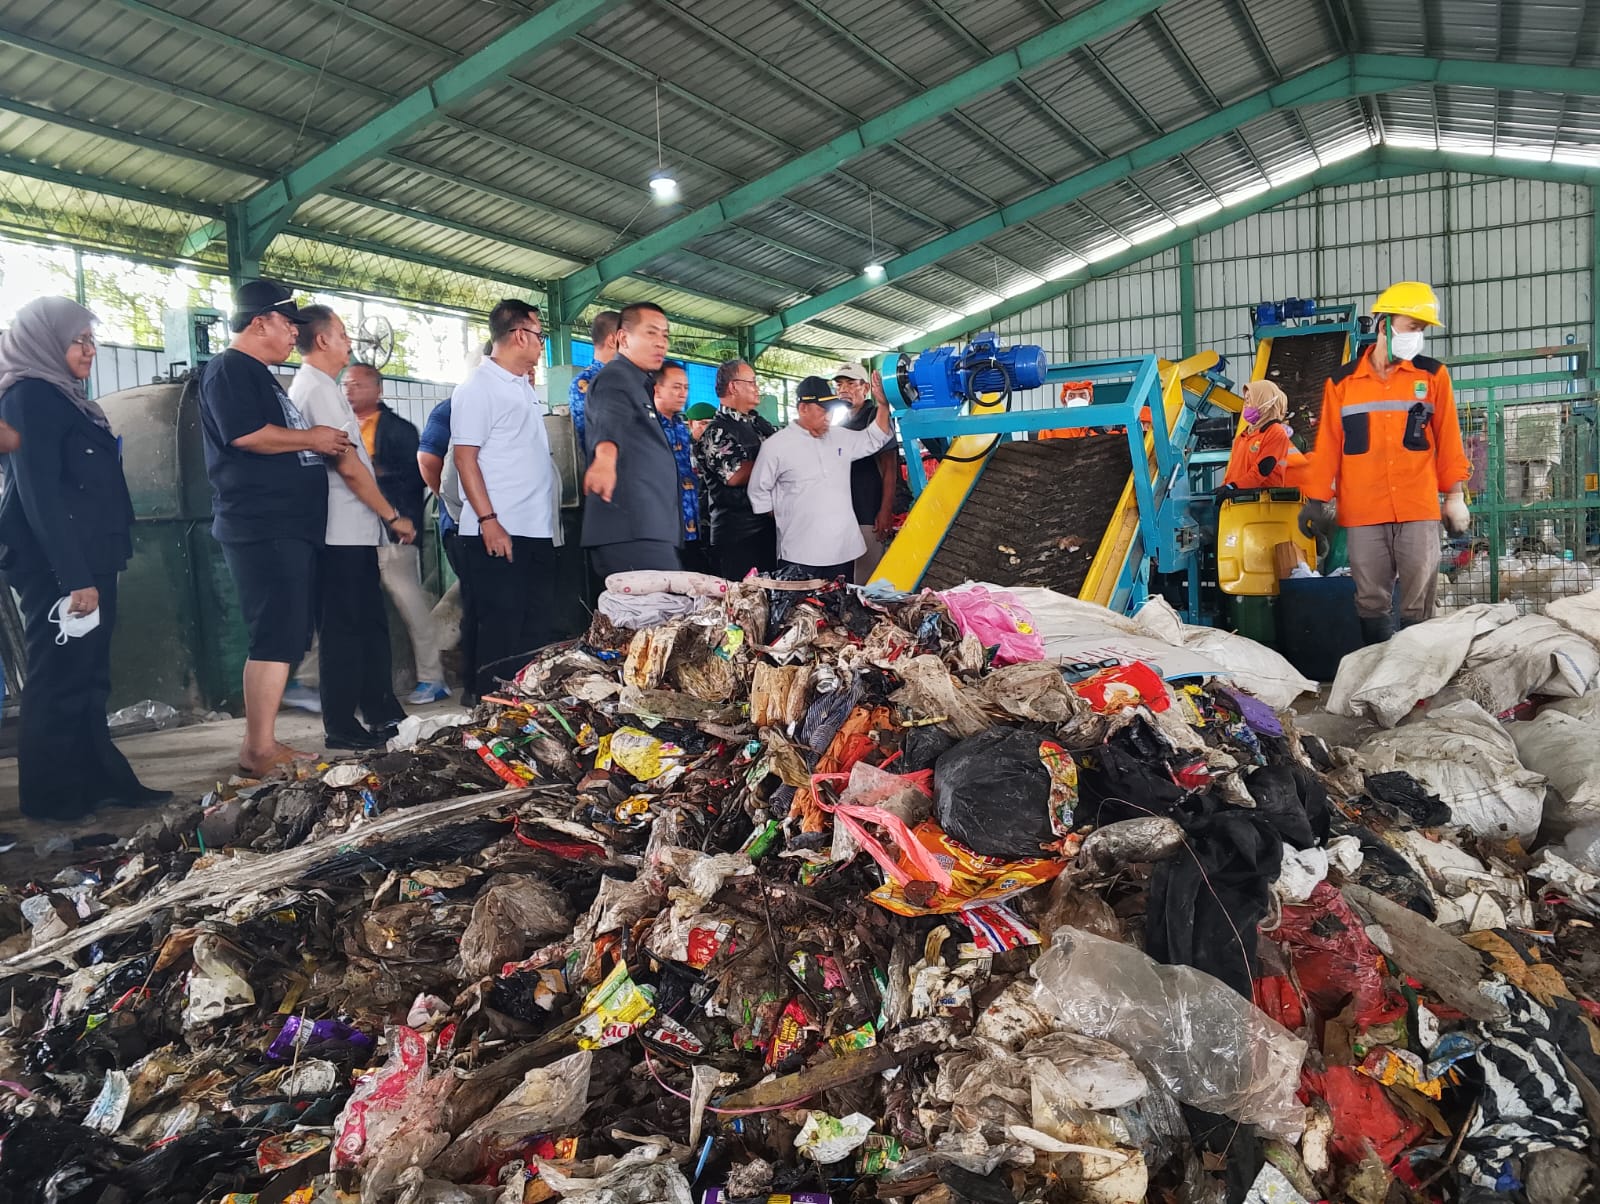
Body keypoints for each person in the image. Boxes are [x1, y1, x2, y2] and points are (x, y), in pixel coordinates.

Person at [0, 297, 166, 822]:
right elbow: (39, 494)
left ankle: (100, 780)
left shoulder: (66, 398)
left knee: (90, 674)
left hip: (89, 560)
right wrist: (73, 577)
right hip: (59, 566)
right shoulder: (28, 397)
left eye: (92, 340)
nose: (90, 350)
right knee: (58, 678)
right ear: (46, 342)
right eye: (79, 340)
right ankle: (51, 798)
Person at [199, 280, 351, 776]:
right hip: (261, 525)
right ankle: (258, 748)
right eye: (289, 325)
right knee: (273, 634)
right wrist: (313, 437)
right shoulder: (230, 370)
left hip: (285, 525)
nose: (294, 336)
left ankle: (263, 742)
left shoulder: (259, 375)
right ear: (261, 321)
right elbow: (245, 435)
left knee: (284, 634)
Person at [1299, 281, 1471, 644]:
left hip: (1417, 507)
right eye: (1413, 327)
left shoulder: (1433, 376)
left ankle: (1416, 679)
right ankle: (1379, 671)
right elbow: (1327, 445)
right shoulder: (1342, 383)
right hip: (1364, 511)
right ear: (1384, 325)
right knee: (1370, 601)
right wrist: (1314, 500)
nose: (1418, 337)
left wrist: (1454, 496)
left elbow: (1448, 438)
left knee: (1418, 603)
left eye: (1422, 330)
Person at [288, 307, 416, 750]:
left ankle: (379, 709)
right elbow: (348, 467)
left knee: (366, 625)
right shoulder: (317, 389)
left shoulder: (323, 387)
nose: (348, 341)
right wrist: (391, 514)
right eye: (342, 334)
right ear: (322, 340)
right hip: (339, 532)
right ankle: (341, 724)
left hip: (352, 531)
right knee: (345, 630)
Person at [450, 299, 559, 694]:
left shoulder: (522, 386)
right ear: (518, 335)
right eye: (540, 336)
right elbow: (465, 459)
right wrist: (488, 521)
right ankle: (488, 710)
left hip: (533, 528)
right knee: (501, 629)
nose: (541, 345)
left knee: (533, 628)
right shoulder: (479, 388)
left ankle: (520, 713)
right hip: (498, 529)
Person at [343, 364, 446, 704]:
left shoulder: (399, 431)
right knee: (342, 606)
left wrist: (400, 519)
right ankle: (313, 681)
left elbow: (411, 482)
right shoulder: (340, 427)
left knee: (411, 606)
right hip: (353, 534)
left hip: (394, 534)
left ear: (378, 390)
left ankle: (433, 678)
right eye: (346, 384)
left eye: (357, 384)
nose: (349, 390)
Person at [749, 374, 892, 580]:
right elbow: (758, 491)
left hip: (842, 550)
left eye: (831, 412)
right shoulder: (776, 446)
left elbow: (874, 438)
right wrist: (787, 512)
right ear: (803, 408)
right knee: (801, 610)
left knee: (840, 607)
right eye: (823, 411)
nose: (828, 417)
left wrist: (883, 405)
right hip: (800, 553)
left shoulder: (840, 436)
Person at [581, 302, 682, 577]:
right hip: (629, 529)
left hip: (647, 528)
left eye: (665, 335)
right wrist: (604, 458)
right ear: (623, 338)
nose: (661, 342)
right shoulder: (616, 377)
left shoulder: (639, 383)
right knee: (660, 615)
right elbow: (610, 416)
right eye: (651, 333)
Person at [698, 358, 778, 579]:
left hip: (768, 529)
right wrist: (775, 461)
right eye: (751, 382)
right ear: (733, 386)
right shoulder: (716, 431)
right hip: (738, 536)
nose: (757, 388)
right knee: (744, 603)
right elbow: (736, 474)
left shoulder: (759, 424)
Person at [833, 361, 899, 583]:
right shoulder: (840, 423)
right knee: (848, 575)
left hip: (869, 512)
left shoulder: (874, 417)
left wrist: (885, 511)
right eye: (840, 384)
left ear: (866, 388)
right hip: (847, 512)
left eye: (851, 384)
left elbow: (890, 467)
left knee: (865, 577)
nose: (844, 389)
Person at [651, 359, 706, 572]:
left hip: (690, 528)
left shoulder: (680, 427)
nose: (682, 393)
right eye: (676, 387)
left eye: (685, 388)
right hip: (661, 531)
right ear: (657, 389)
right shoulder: (647, 426)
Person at [1220, 380, 1306, 491]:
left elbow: (1262, 469)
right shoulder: (1242, 437)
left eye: (1249, 400)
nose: (1245, 405)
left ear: (1265, 402)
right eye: (1245, 400)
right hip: (1238, 501)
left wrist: (1233, 487)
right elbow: (1231, 473)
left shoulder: (1275, 433)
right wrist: (1223, 489)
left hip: (1261, 502)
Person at [568, 309, 621, 453]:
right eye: (625, 338)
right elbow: (591, 439)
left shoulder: (631, 379)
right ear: (612, 340)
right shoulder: (585, 383)